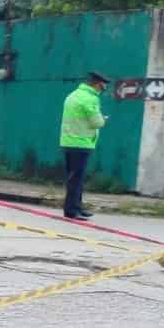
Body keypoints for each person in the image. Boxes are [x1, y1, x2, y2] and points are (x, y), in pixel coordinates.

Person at [60, 71, 109, 220]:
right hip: (81, 143)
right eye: (103, 87)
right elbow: (97, 122)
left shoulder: (73, 95)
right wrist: (103, 119)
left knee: (74, 177)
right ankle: (72, 210)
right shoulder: (90, 99)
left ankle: (77, 207)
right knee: (77, 179)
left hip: (68, 142)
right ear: (97, 84)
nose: (102, 90)